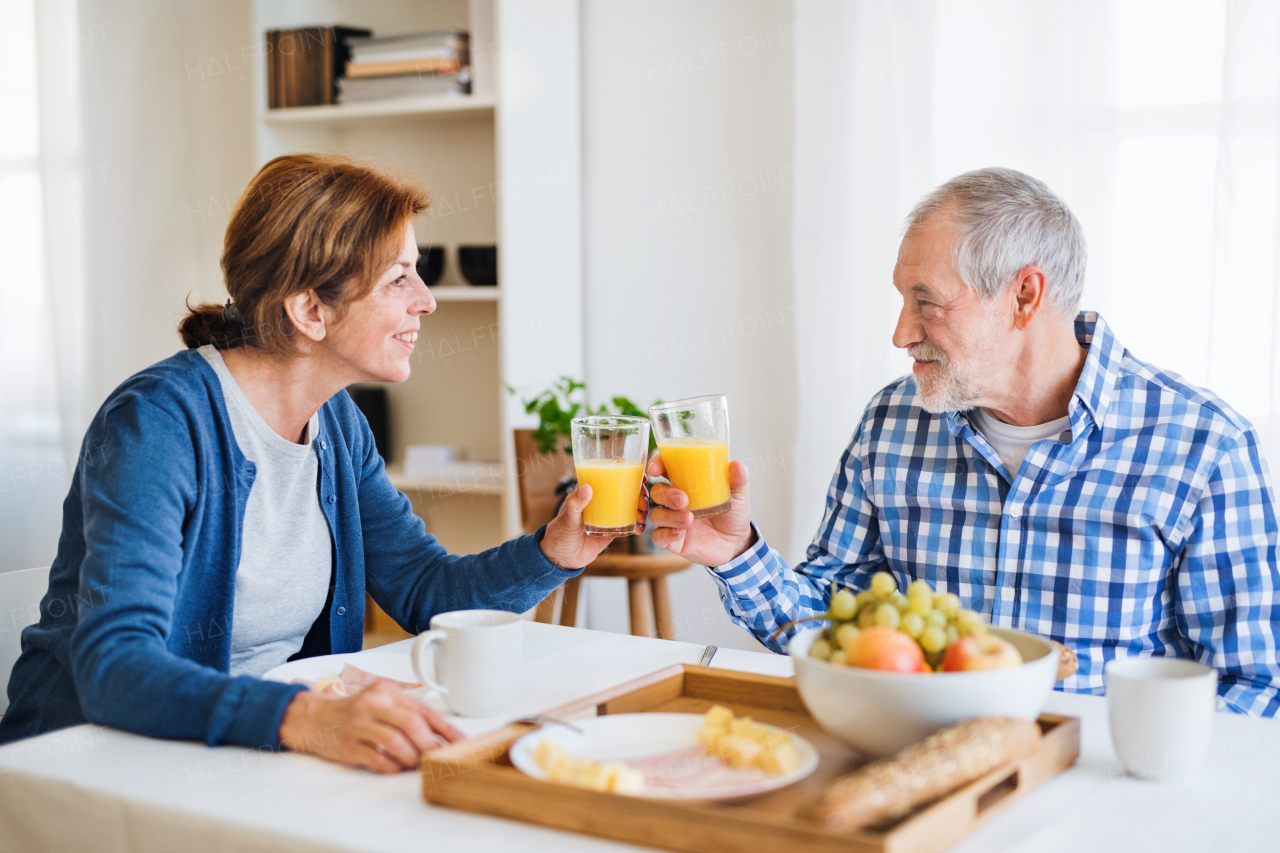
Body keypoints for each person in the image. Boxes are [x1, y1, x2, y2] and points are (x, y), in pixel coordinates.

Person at [0, 153, 624, 770]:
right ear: (310, 311)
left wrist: (556, 550)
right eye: (398, 279)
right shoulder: (159, 423)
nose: (427, 301)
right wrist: (302, 715)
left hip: (228, 756)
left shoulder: (338, 425)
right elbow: (117, 665)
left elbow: (424, 589)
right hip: (83, 768)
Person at [648, 167, 1280, 716]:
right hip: (925, 777)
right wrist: (734, 554)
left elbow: (1254, 685)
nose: (900, 334)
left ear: (1024, 296)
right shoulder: (890, 424)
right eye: (902, 299)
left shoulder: (1204, 446)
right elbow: (828, 629)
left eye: (927, 302)